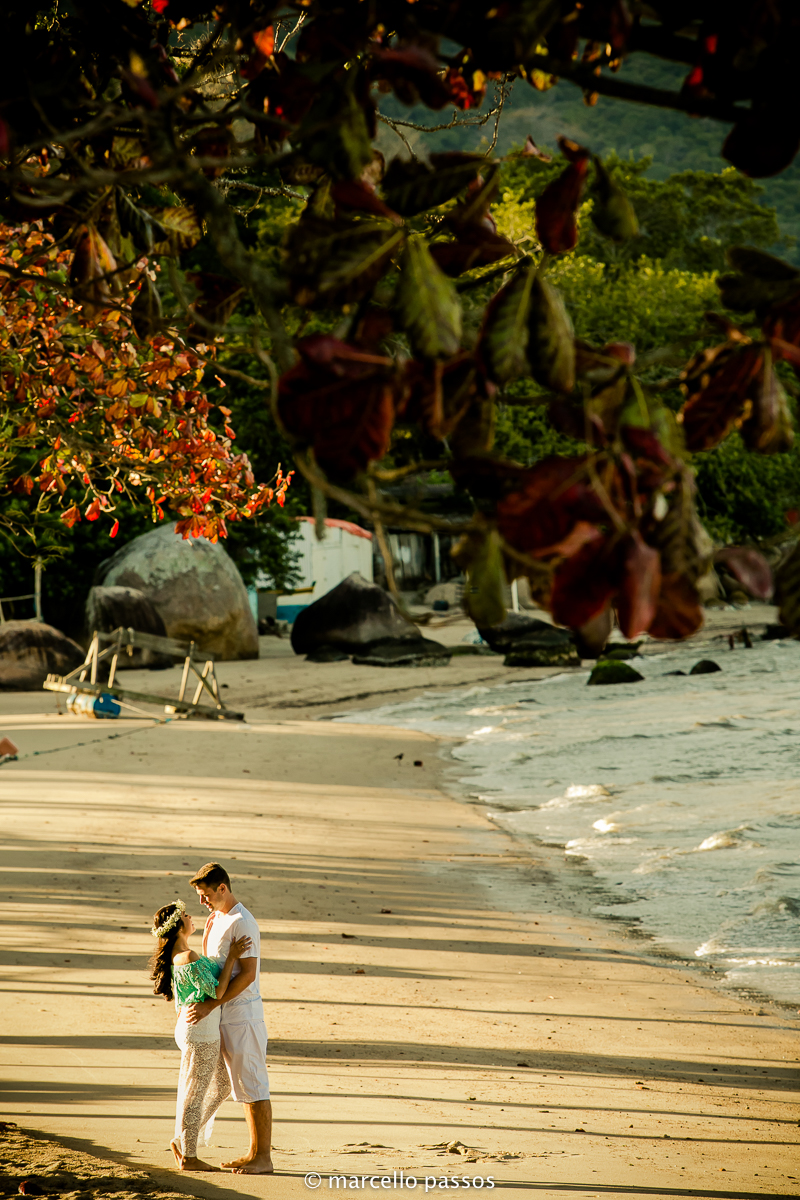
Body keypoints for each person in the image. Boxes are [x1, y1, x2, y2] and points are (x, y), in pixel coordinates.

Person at [148, 898, 252, 1172]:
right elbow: (217, 992)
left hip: (194, 1028)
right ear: (178, 927)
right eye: (184, 915)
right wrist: (232, 957)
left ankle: (182, 1140)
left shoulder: (181, 955)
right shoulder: (188, 957)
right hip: (201, 1031)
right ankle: (189, 1156)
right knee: (195, 1093)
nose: (190, 916)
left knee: (222, 1086)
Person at [185, 862, 273, 1175]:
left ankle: (263, 1157)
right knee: (239, 1086)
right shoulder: (215, 919)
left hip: (243, 1015)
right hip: (222, 1014)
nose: (202, 901)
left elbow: (247, 975)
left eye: (206, 894)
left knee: (254, 1083)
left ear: (222, 888)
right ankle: (252, 1153)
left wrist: (211, 1005)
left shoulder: (243, 922)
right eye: (199, 895)